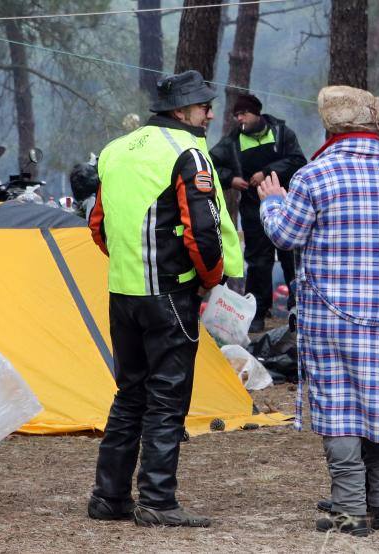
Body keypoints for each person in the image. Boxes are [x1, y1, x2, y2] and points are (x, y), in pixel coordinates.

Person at [259, 85, 379, 536]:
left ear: (331, 125)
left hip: (328, 315)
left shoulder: (312, 176)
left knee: (338, 408)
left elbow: (286, 236)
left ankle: (350, 509)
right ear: (375, 124)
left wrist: (270, 202)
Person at [87, 70, 243, 528]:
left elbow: (98, 222)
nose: (210, 113)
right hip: (170, 291)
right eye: (202, 106)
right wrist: (210, 278)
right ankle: (157, 500)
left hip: (123, 290)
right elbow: (204, 228)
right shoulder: (188, 152)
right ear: (180, 111)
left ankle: (108, 498)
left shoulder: (116, 149)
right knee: (167, 399)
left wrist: (127, 263)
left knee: (129, 393)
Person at [210, 93, 307, 332]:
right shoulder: (233, 140)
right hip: (254, 209)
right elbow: (210, 163)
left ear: (256, 113)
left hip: (287, 205)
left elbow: (298, 161)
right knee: (258, 262)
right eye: (236, 116)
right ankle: (257, 313)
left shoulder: (282, 133)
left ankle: (299, 309)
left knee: (291, 260)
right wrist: (230, 179)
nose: (240, 119)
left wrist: (267, 172)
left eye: (243, 114)